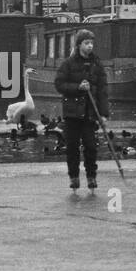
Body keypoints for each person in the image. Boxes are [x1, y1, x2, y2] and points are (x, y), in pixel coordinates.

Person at [54, 28, 109, 191]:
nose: (90, 46)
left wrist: (103, 114)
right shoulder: (68, 64)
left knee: (91, 146)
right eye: (86, 43)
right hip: (72, 113)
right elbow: (59, 84)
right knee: (72, 147)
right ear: (79, 45)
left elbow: (102, 90)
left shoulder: (97, 64)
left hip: (90, 113)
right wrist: (77, 87)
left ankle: (91, 177)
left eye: (92, 43)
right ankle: (74, 177)